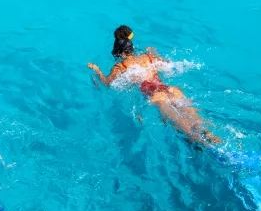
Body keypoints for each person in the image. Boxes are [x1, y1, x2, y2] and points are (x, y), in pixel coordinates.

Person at [87, 25, 221, 147]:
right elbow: (167, 64)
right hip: (171, 89)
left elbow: (107, 84)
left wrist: (97, 70)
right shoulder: (148, 57)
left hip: (157, 96)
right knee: (191, 115)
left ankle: (201, 141)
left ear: (121, 53)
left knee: (185, 130)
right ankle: (207, 133)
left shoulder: (121, 66)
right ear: (132, 49)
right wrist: (153, 52)